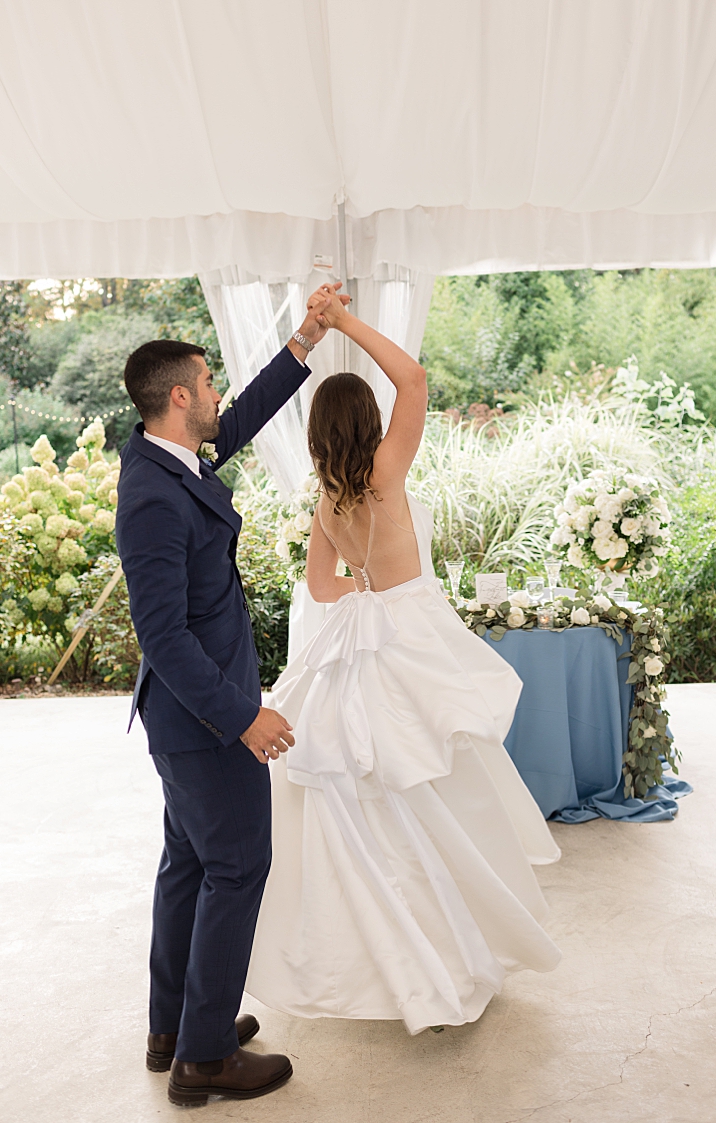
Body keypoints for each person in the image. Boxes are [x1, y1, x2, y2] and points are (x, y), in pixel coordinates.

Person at [246, 301, 561, 1031]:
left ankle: (392, 956)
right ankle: (460, 934)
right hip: (413, 626)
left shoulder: (327, 498)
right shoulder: (387, 471)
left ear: (321, 435)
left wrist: (361, 586)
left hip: (360, 634)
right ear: (368, 425)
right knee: (442, 784)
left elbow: (321, 588)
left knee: (369, 793)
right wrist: (345, 326)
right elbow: (413, 379)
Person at [114, 284, 346, 1106]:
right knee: (239, 866)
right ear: (180, 397)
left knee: (189, 865)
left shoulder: (168, 454)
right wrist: (246, 715)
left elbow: (241, 418)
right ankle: (206, 1058)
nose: (217, 397)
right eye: (207, 386)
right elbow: (165, 637)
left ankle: (173, 1026)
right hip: (202, 719)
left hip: (191, 720)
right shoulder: (149, 496)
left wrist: (306, 338)